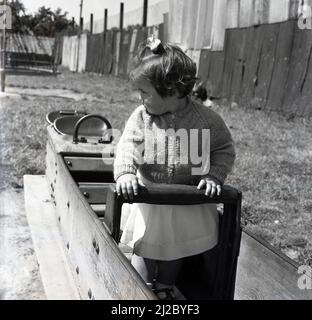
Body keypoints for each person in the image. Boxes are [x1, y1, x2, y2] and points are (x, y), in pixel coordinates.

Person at [114, 36, 235, 300]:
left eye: (145, 92)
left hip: (186, 198)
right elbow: (125, 146)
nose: (140, 98)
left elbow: (223, 149)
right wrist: (124, 173)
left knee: (174, 247)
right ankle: (140, 290)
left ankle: (166, 286)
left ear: (173, 91)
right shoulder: (142, 117)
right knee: (146, 245)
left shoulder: (207, 120)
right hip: (151, 195)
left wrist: (215, 175)